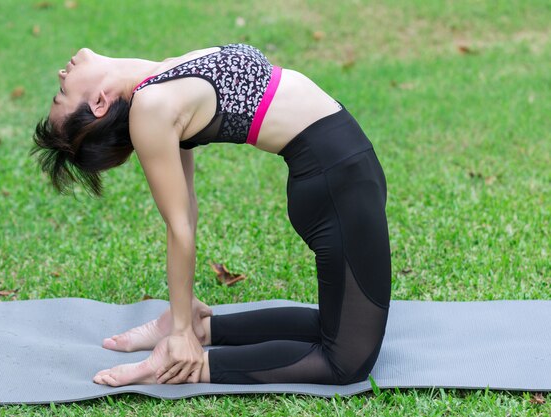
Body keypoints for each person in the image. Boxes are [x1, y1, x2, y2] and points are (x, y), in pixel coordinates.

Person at [32, 43, 391, 386]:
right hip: (338, 183)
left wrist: (185, 314)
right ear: (98, 102)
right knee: (346, 361)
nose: (61, 74)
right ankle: (185, 366)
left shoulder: (157, 82)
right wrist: (179, 334)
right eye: (60, 95)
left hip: (343, 175)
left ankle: (206, 332)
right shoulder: (152, 105)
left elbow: (187, 202)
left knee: (336, 327)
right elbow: (179, 224)